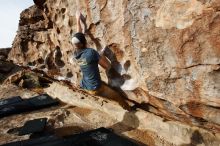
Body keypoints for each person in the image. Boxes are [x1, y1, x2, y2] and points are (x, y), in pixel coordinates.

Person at [71, 11, 130, 110]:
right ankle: (128, 109)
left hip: (85, 84)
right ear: (84, 42)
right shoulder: (91, 52)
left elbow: (78, 36)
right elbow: (107, 66)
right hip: (95, 88)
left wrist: (78, 19)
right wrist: (101, 55)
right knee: (117, 97)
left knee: (97, 81)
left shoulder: (76, 53)